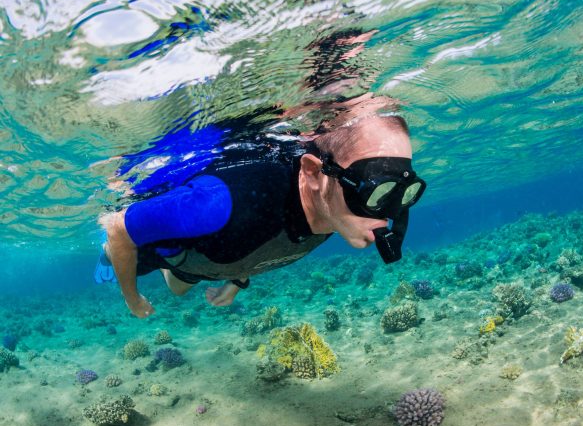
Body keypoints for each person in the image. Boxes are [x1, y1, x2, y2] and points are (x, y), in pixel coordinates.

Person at [97, 113, 426, 318]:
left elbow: (268, 237)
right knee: (117, 254)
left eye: (401, 194)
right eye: (374, 192)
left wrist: (237, 281)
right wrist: (133, 299)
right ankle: (128, 255)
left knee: (180, 289)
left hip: (214, 255)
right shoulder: (219, 204)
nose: (387, 216)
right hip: (174, 241)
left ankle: (191, 266)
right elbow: (117, 227)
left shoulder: (337, 208)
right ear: (313, 175)